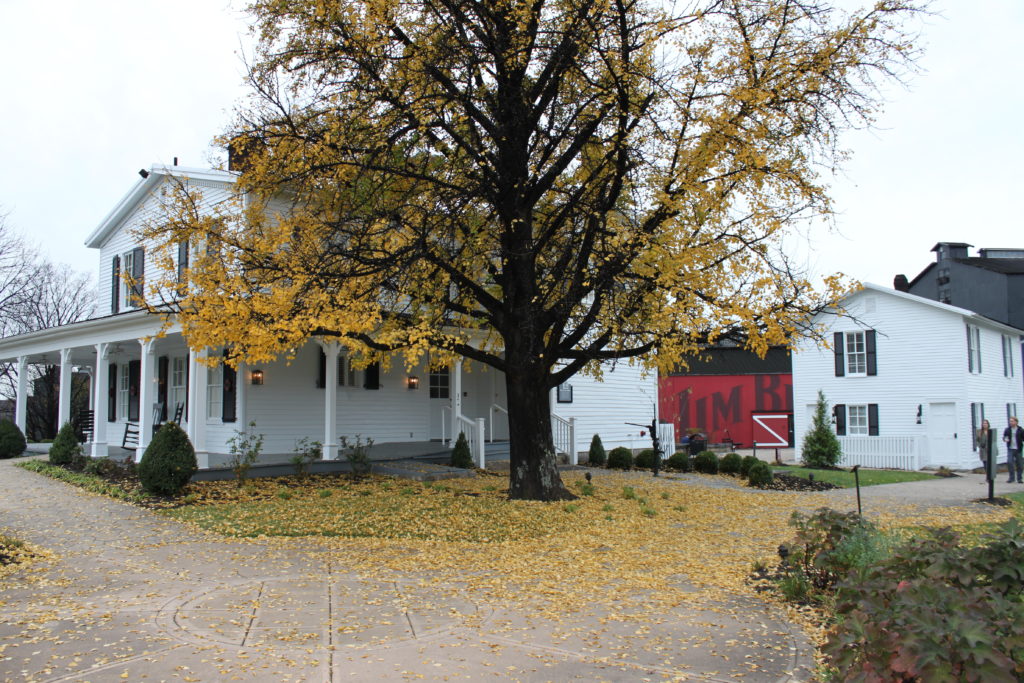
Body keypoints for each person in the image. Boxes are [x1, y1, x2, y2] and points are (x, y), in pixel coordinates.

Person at [1004, 416, 1024, 484]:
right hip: (1010, 448)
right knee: (1010, 462)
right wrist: (1005, 439)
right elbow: (1004, 437)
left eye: (1012, 421)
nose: (1011, 422)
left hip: (1018, 449)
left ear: (1016, 422)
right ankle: (1011, 478)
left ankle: (1019, 478)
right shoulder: (1007, 429)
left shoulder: (1020, 430)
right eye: (1010, 421)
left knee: (1020, 464)